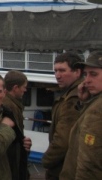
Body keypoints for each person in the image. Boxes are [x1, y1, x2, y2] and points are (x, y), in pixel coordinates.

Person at [60, 50, 102, 179]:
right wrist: (85, 102)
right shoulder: (95, 102)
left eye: (93, 74)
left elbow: (89, 161)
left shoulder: (98, 109)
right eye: (85, 74)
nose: (87, 80)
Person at [42, 52, 84, 180]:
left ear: (77, 72)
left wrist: (46, 161)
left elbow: (63, 140)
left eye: (62, 70)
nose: (57, 76)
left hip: (64, 167)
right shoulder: (71, 94)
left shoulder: (73, 98)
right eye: (55, 71)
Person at [3, 70, 32, 180]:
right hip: (12, 161)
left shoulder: (12, 104)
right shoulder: (10, 107)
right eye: (24, 87)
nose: (25, 90)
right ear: (15, 88)